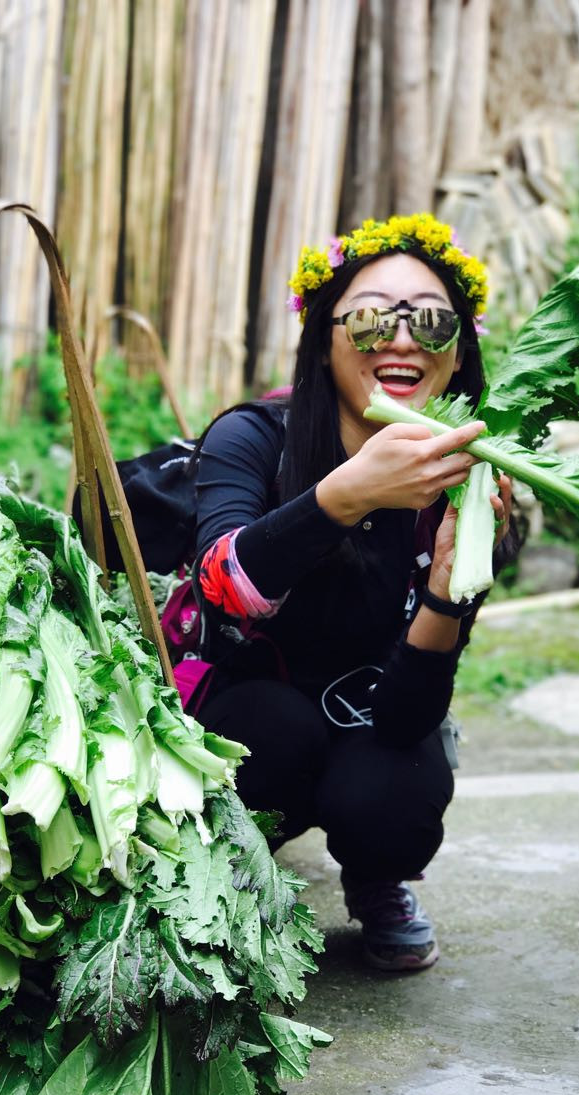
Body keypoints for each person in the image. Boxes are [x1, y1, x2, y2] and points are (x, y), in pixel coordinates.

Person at [189, 213, 517, 973]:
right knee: (270, 731)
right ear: (324, 338)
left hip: (375, 705)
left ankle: (378, 881)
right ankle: (233, 867)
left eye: (431, 322)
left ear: (459, 349)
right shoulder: (253, 438)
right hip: (253, 703)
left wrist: (445, 592)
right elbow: (221, 586)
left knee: (399, 792)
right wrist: (346, 497)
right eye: (371, 319)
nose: (401, 341)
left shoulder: (469, 483)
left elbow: (410, 710)